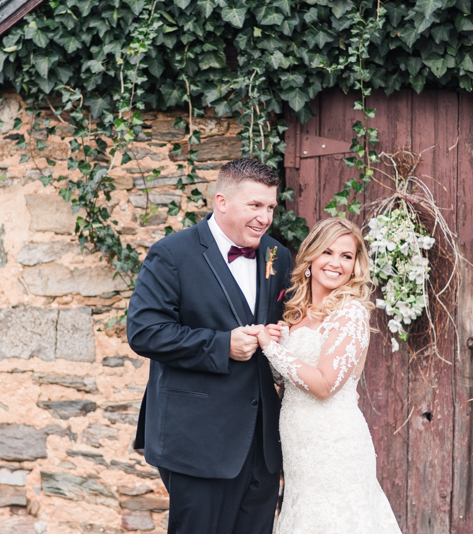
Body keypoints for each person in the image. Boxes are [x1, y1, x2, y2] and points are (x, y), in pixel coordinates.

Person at [126, 158, 292, 534]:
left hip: (262, 444)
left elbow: (288, 320)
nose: (265, 218)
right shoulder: (172, 254)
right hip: (198, 439)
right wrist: (221, 345)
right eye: (255, 206)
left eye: (270, 207)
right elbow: (144, 331)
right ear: (222, 201)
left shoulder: (277, 257)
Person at [254, 217, 402, 533]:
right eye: (328, 252)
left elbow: (323, 385)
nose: (336, 263)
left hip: (334, 443)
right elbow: (287, 381)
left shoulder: (350, 312)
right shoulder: (295, 314)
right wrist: (278, 341)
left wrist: (270, 348)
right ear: (310, 258)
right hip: (299, 445)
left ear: (355, 265)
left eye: (346, 256)